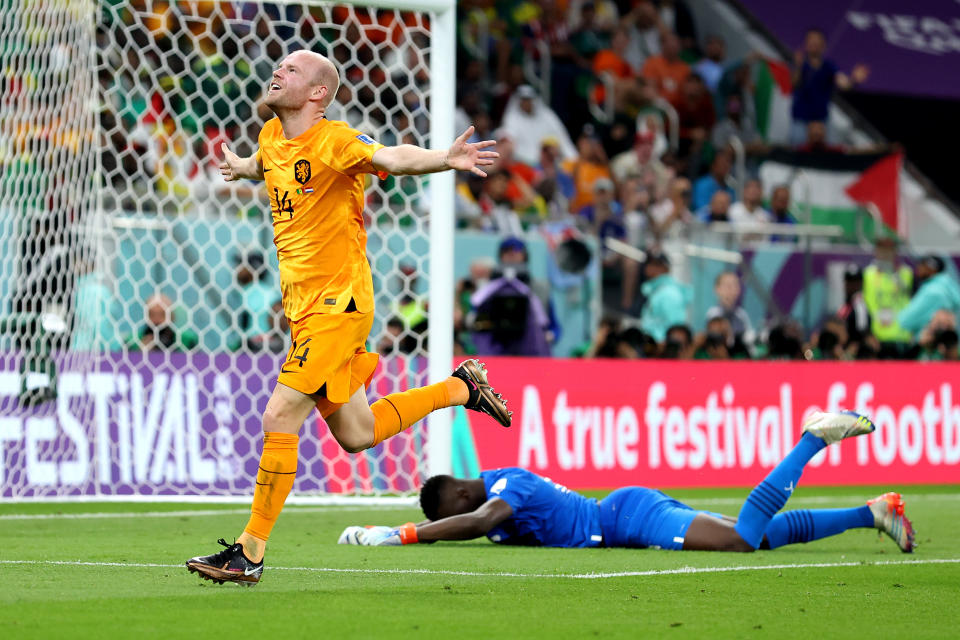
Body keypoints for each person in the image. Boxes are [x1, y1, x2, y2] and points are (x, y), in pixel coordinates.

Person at [186, 49, 512, 586]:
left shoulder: (337, 140)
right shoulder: (271, 137)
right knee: (358, 433)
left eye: (291, 70)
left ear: (317, 93)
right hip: (303, 311)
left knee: (278, 416)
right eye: (279, 65)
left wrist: (442, 158)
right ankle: (460, 389)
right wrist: (243, 167)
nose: (277, 71)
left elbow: (392, 158)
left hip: (339, 305)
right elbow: (266, 164)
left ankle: (249, 551)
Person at [339, 412, 914, 554]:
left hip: (627, 520)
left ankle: (812, 438)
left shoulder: (504, 486)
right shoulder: (495, 490)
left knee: (742, 540)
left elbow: (483, 521)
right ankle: (874, 512)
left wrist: (406, 534)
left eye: (452, 512)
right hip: (627, 511)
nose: (463, 515)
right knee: (758, 537)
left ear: (461, 494)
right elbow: (479, 523)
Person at [790, 28, 869, 145]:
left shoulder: (829, 66)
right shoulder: (800, 64)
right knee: (797, 149)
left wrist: (854, 80)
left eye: (817, 41)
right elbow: (794, 83)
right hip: (801, 119)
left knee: (827, 151)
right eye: (811, 41)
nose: (814, 44)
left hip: (822, 120)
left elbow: (843, 83)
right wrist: (797, 66)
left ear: (823, 45)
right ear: (806, 44)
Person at [499, 85, 577, 167]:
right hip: (522, 163)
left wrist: (573, 158)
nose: (526, 103)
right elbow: (508, 137)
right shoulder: (512, 118)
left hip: (547, 163)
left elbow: (563, 138)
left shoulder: (547, 116)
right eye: (523, 99)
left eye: (528, 99)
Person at [898, 256, 960, 338]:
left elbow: (905, 321)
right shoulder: (947, 287)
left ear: (931, 268)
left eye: (922, 265)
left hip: (931, 346)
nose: (918, 268)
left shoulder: (933, 291)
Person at [638, 252, 690, 343]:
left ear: (665, 268)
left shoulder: (669, 293)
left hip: (662, 350)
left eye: (656, 265)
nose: (649, 268)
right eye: (649, 264)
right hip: (653, 347)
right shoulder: (656, 291)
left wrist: (666, 349)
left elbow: (675, 328)